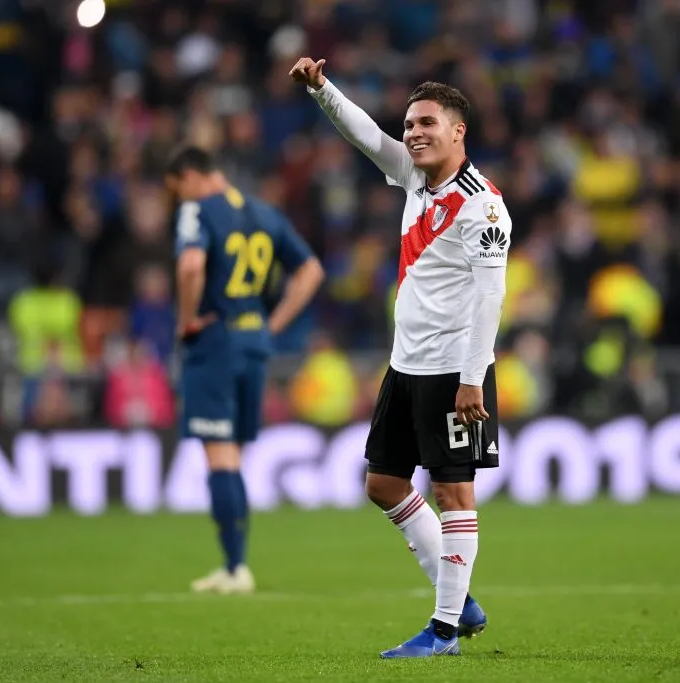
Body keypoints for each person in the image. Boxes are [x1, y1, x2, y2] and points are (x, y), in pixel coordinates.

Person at [290, 57, 511, 658]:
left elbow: (491, 297)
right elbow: (367, 136)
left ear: (458, 131)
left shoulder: (483, 206)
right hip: (406, 364)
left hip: (454, 370)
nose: (413, 132)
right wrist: (321, 89)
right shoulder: (415, 178)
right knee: (383, 483)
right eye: (410, 123)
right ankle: (459, 599)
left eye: (427, 123)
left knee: (453, 494)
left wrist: (473, 380)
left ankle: (444, 630)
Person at [166, 146, 325, 593]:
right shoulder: (265, 213)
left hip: (215, 342)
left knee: (220, 456)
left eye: (178, 189)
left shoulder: (197, 211)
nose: (179, 199)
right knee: (232, 455)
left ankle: (235, 566)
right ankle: (234, 565)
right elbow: (311, 270)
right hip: (254, 343)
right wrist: (272, 324)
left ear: (192, 176)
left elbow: (191, 265)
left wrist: (186, 320)